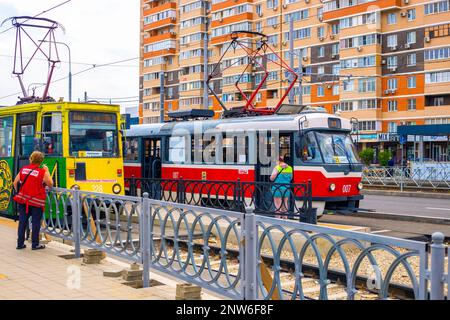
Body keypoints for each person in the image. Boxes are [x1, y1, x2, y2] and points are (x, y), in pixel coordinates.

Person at [13, 151, 53, 250]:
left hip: (23, 201)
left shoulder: (23, 169)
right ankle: (35, 244)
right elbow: (50, 184)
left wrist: (20, 192)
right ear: (41, 161)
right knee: (35, 223)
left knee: (22, 222)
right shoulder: (42, 172)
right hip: (36, 202)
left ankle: (20, 244)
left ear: (31, 159)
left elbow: (15, 182)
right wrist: (47, 171)